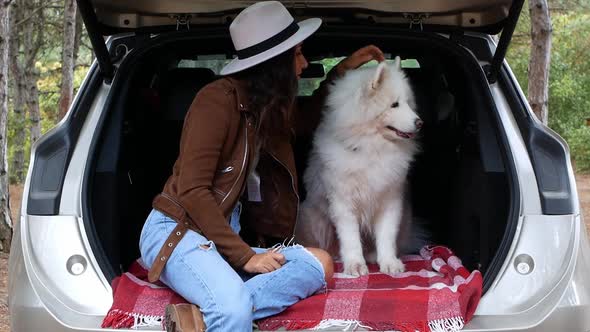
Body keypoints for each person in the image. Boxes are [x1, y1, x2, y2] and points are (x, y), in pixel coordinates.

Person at [139, 1, 385, 331]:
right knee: (232, 308)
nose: (304, 63)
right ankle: (227, 311)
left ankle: (204, 317)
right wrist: (246, 257)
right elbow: (193, 192)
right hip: (178, 231)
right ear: (275, 64)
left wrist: (341, 72)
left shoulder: (260, 108)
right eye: (297, 54)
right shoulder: (216, 102)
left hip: (221, 236)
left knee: (319, 265)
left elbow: (304, 118)